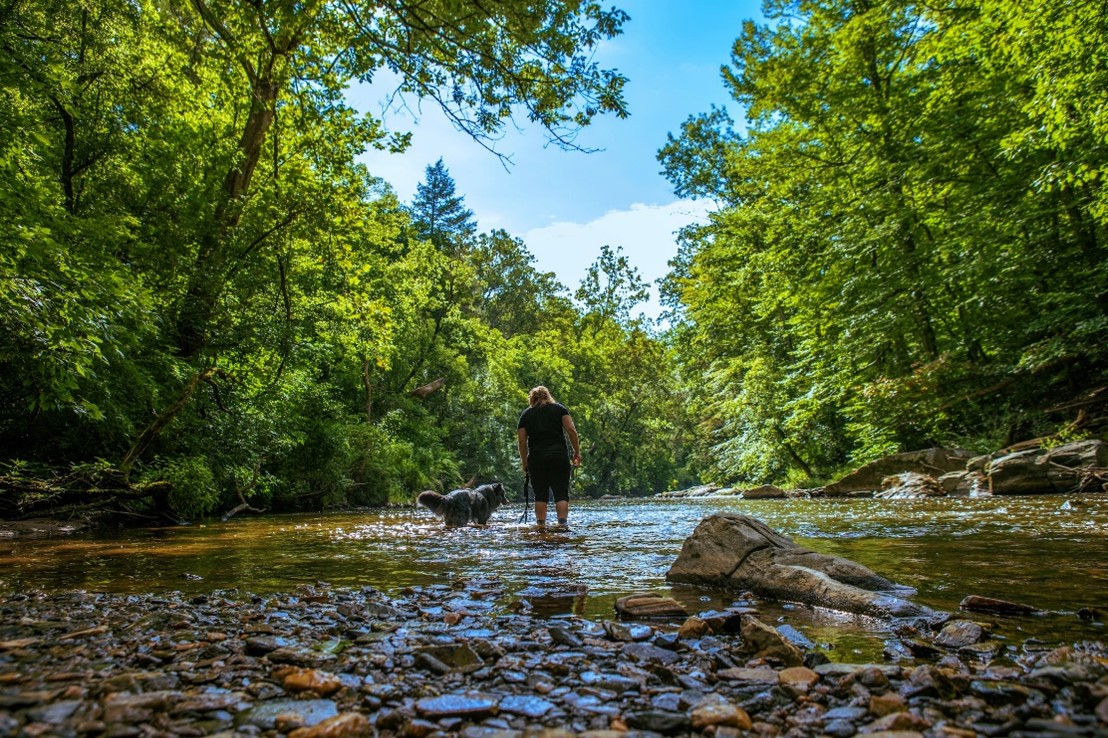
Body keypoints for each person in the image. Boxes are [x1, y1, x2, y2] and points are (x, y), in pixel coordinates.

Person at [517, 385, 581, 528]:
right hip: (558, 456)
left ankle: (540, 526)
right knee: (561, 493)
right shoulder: (560, 409)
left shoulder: (526, 415)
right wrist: (576, 451)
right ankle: (562, 524)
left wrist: (524, 461)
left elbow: (522, 441)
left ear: (531, 399)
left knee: (540, 494)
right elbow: (571, 430)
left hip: (536, 458)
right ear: (548, 396)